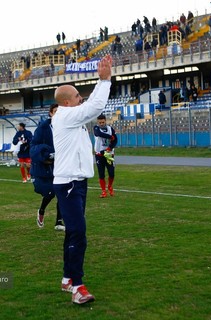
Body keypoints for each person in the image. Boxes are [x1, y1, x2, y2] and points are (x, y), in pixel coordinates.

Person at [52, 54, 112, 305]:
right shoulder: (65, 116)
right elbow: (94, 108)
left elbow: (88, 106)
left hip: (77, 183)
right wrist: (105, 80)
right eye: (77, 95)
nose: (81, 98)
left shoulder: (70, 116)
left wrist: (102, 80)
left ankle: (67, 278)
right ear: (67, 102)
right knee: (78, 233)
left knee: (73, 233)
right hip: (68, 184)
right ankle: (77, 286)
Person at [30, 104, 65, 231]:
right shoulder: (43, 128)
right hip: (47, 166)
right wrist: (46, 157)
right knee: (50, 193)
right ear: (50, 113)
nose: (58, 114)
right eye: (55, 111)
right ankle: (41, 210)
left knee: (61, 194)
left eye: (59, 111)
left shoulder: (66, 126)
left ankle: (59, 222)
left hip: (61, 165)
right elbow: (34, 146)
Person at [94, 114, 118, 198]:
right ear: (98, 122)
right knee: (101, 174)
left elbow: (115, 140)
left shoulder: (110, 129)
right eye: (100, 122)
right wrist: (110, 136)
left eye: (103, 122)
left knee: (111, 173)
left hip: (108, 154)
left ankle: (110, 186)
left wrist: (109, 148)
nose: (101, 124)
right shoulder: (96, 128)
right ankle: (103, 191)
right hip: (99, 154)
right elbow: (99, 134)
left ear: (105, 121)